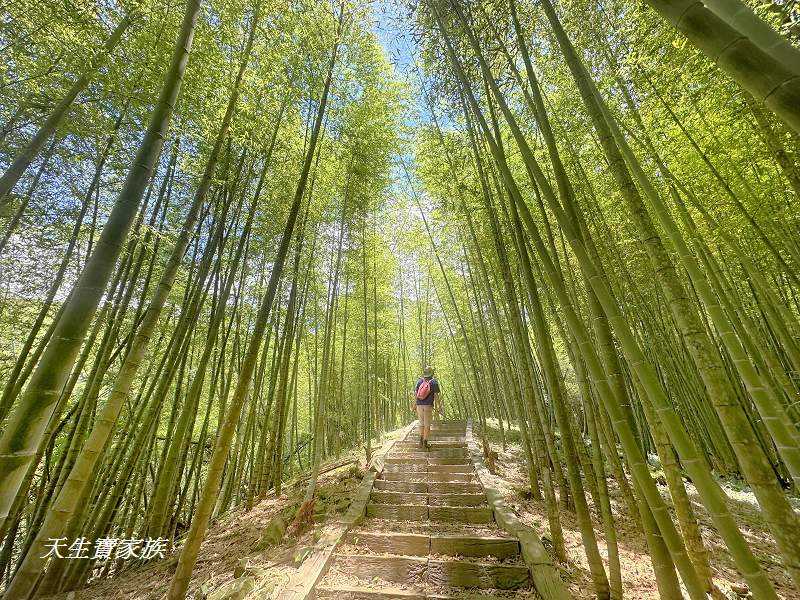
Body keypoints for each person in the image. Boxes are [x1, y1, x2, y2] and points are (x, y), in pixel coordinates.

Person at [414, 365, 440, 449]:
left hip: (419, 405)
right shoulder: (433, 382)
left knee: (421, 423)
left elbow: (415, 394)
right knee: (427, 424)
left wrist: (415, 404)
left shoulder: (419, 381)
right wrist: (438, 406)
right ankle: (425, 442)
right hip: (428, 406)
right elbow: (436, 396)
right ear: (432, 373)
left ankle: (421, 440)